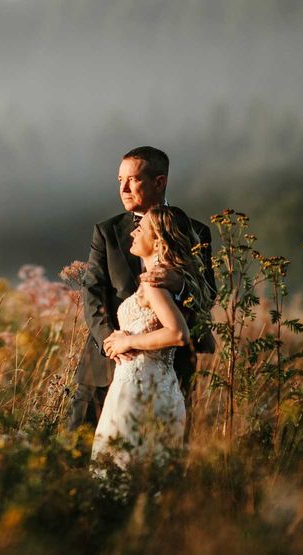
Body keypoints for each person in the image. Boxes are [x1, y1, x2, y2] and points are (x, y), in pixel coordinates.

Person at [68, 146, 215, 431]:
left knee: (156, 459)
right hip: (105, 366)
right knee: (81, 451)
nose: (123, 188)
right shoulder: (107, 231)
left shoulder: (195, 232)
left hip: (167, 371)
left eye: (133, 179)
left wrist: (182, 286)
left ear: (159, 182)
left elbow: (208, 293)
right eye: (119, 180)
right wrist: (113, 343)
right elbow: (93, 294)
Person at [90, 205, 213, 469]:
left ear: (158, 240)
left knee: (123, 469)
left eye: (142, 228)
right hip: (156, 385)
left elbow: (178, 333)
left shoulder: (154, 282)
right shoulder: (167, 280)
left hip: (141, 389)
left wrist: (127, 341)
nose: (134, 232)